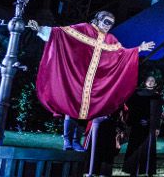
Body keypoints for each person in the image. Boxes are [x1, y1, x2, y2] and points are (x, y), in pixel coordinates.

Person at [29, 11, 155, 151]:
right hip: (76, 79)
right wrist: (40, 28)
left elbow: (122, 54)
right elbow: (60, 33)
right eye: (106, 21)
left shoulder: (111, 39)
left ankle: (76, 141)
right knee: (71, 108)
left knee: (86, 111)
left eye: (111, 23)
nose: (108, 25)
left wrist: (138, 49)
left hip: (93, 84)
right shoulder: (84, 29)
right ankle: (67, 141)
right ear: (98, 20)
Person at [122, 75, 162, 177]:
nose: (150, 82)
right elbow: (133, 109)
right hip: (138, 124)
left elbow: (158, 112)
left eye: (152, 80)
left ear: (155, 83)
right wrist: (138, 120)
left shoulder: (157, 96)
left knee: (149, 148)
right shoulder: (137, 93)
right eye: (148, 80)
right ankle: (133, 171)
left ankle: (149, 171)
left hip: (151, 125)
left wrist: (157, 126)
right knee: (136, 147)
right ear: (145, 82)